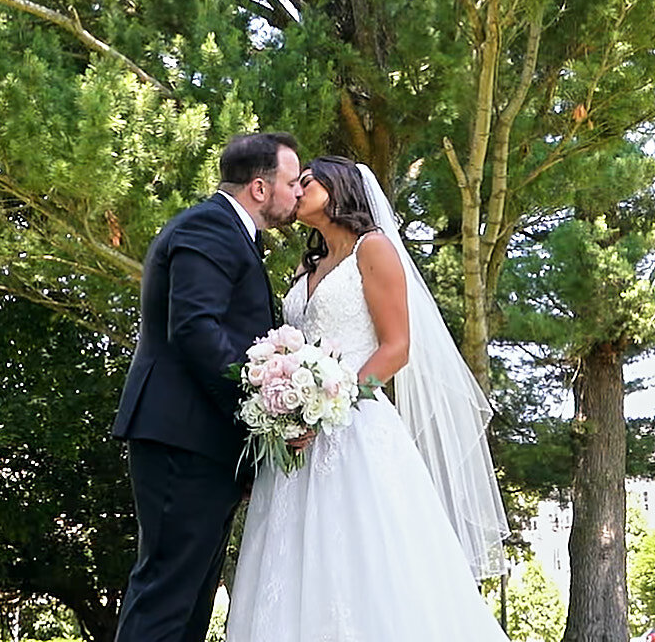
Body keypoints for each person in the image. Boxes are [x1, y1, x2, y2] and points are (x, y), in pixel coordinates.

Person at [225, 155, 512, 642]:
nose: (296, 191)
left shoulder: (373, 249)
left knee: (367, 562)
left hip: (354, 427)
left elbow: (396, 346)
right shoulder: (307, 265)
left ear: (338, 188)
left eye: (307, 181)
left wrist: (333, 402)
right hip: (298, 443)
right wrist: (287, 402)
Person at [111, 131, 303, 642]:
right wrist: (259, 410)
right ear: (259, 188)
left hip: (205, 441)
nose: (297, 193)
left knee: (191, 604)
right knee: (166, 597)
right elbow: (195, 328)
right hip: (183, 436)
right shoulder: (210, 226)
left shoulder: (233, 234)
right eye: (290, 183)